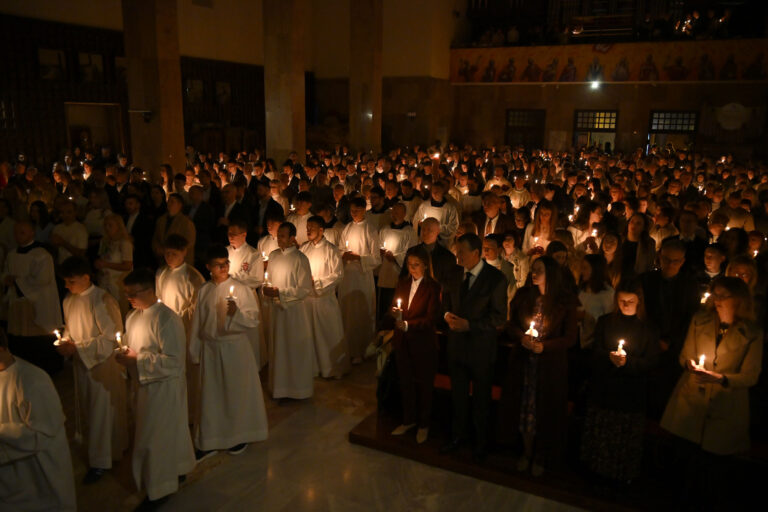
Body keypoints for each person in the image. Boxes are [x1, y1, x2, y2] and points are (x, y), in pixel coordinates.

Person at [661, 276, 762, 507]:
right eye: (715, 294)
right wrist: (691, 366)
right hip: (692, 402)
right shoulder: (700, 320)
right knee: (684, 466)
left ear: (738, 299)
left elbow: (751, 375)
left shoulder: (752, 332)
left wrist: (721, 378)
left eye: (723, 296)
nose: (717, 300)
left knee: (712, 473)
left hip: (724, 406)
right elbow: (685, 356)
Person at [116, 269, 196, 509]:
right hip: (143, 385)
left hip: (164, 387)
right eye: (126, 293)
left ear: (150, 290)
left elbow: (173, 361)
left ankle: (159, 490)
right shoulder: (132, 317)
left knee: (155, 438)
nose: (129, 298)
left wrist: (137, 359)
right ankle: (178, 468)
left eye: (133, 293)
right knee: (163, 433)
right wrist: (124, 357)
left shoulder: (167, 318)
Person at [499, 255, 579, 475]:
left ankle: (542, 455)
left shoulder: (564, 302)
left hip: (550, 367)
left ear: (550, 274)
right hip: (524, 364)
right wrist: (522, 337)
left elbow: (570, 338)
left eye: (539, 270)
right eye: (533, 270)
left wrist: (546, 347)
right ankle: (526, 452)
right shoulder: (525, 296)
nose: (534, 274)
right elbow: (511, 325)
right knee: (526, 411)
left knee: (546, 410)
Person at [190, 245, 268, 461]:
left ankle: (238, 435)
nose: (224, 268)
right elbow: (198, 322)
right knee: (211, 396)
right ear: (208, 267)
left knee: (235, 392)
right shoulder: (204, 290)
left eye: (226, 264)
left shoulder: (240, 289)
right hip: (211, 349)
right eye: (218, 265)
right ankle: (210, 440)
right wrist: (195, 351)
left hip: (233, 348)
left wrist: (237, 314)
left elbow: (253, 319)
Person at [57, 256, 128, 484]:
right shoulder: (69, 299)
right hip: (82, 362)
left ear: (86, 277)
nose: (67, 286)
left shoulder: (102, 300)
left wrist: (77, 348)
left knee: (102, 412)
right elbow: (70, 328)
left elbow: (109, 339)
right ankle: (105, 452)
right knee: (90, 410)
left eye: (71, 281)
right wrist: (65, 342)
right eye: (66, 282)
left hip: (102, 365)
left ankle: (101, 461)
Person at [581, 278, 659, 484]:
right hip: (605, 389)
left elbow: (651, 361)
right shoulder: (606, 322)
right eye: (622, 301)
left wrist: (627, 362)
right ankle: (595, 471)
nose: (625, 305)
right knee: (602, 434)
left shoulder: (647, 329)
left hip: (630, 393)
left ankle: (620, 476)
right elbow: (595, 351)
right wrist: (609, 358)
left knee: (624, 438)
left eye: (630, 302)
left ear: (639, 302)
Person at [440, 233, 507, 462]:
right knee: (458, 396)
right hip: (457, 347)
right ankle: (457, 436)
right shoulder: (454, 273)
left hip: (480, 348)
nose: (457, 256)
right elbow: (446, 301)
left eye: (462, 252)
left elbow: (499, 318)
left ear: (476, 254)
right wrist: (447, 315)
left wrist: (470, 325)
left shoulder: (495, 279)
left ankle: (480, 443)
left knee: (480, 400)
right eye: (457, 252)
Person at [0, 328, 76, 511]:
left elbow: (41, 434)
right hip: (10, 478)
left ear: (1, 348)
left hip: (38, 476)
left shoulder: (32, 380)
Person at [386, 247, 441, 444]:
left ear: (425, 265)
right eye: (409, 265)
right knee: (405, 382)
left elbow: (431, 317)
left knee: (424, 386)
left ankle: (424, 424)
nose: (412, 268)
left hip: (423, 343)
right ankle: (408, 419)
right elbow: (395, 305)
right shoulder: (403, 283)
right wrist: (395, 312)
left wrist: (409, 324)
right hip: (403, 342)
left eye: (416, 265)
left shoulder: (433, 287)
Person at [155, 234, 206, 423]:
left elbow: (197, 307)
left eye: (173, 254)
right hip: (166, 330)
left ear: (184, 252)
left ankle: (191, 412)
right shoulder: (161, 273)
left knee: (188, 373)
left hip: (185, 329)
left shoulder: (192, 276)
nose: (169, 258)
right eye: (167, 254)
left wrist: (181, 321)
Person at [2, 220, 63, 374]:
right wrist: (6, 279)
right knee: (20, 337)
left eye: (22, 232)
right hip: (18, 302)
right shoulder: (11, 254)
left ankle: (45, 370)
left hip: (37, 302)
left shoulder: (41, 255)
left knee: (37, 337)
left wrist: (17, 282)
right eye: (16, 232)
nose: (18, 235)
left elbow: (43, 279)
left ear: (32, 233)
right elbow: (5, 272)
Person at [262, 222, 315, 399]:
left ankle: (297, 389)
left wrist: (281, 292)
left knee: (293, 348)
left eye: (283, 236)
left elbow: (304, 288)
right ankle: (279, 387)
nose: (279, 239)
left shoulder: (301, 259)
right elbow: (267, 278)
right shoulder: (274, 255)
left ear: (292, 238)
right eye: (278, 235)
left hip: (294, 311)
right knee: (278, 348)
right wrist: (267, 289)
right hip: (277, 311)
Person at [300, 216, 349, 379]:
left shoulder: (331, 250)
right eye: (307, 227)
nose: (308, 230)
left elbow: (338, 275)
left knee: (328, 334)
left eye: (312, 227)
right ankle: (313, 367)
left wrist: (318, 282)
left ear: (321, 230)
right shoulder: (303, 249)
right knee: (310, 336)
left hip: (324, 299)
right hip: (307, 300)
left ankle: (332, 368)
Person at [338, 197, 381, 363]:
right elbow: (341, 249)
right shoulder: (347, 228)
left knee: (361, 313)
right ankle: (347, 348)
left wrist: (359, 258)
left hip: (362, 277)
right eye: (351, 211)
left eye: (356, 210)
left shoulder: (370, 229)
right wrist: (344, 254)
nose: (353, 213)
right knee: (347, 312)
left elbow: (376, 258)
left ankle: (362, 349)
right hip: (348, 276)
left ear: (364, 210)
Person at [377, 202, 418, 323]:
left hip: (398, 274)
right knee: (383, 307)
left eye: (397, 212)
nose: (394, 215)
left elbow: (411, 252)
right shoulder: (385, 229)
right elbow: (379, 246)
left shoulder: (410, 232)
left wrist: (395, 258)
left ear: (404, 214)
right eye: (393, 212)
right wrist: (380, 252)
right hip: (385, 273)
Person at [94, 213, 133, 317]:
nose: (107, 228)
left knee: (119, 311)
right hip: (104, 281)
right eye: (105, 225)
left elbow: (128, 265)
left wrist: (106, 264)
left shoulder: (124, 243)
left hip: (117, 283)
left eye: (110, 225)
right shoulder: (105, 242)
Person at [151, 193, 196, 266]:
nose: (169, 204)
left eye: (172, 201)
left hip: (180, 261)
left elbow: (190, 242)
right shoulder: (161, 220)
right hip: (162, 260)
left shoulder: (187, 223)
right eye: (168, 201)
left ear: (180, 205)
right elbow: (155, 238)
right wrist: (157, 249)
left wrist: (170, 251)